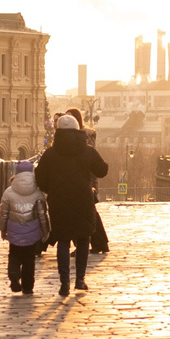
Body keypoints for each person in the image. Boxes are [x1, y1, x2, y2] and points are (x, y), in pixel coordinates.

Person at [35, 114, 108, 298]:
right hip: (83, 200)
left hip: (58, 201)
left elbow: (40, 177)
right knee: (83, 239)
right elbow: (103, 170)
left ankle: (64, 282)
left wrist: (50, 189)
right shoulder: (87, 150)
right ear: (78, 131)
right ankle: (80, 280)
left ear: (58, 132)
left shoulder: (50, 153)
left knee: (63, 240)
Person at [0, 159, 50, 294]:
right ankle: (27, 286)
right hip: (32, 231)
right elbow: (42, 215)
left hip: (14, 230)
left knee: (14, 254)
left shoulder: (9, 192)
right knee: (29, 258)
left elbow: (3, 214)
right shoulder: (38, 192)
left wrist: (3, 230)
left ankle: (14, 273)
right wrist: (45, 232)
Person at [69, 108, 110, 256]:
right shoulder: (74, 136)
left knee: (89, 213)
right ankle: (99, 243)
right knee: (87, 213)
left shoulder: (85, 136)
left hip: (87, 180)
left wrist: (91, 182)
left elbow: (91, 159)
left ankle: (98, 242)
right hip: (82, 180)